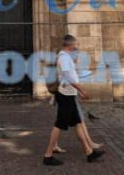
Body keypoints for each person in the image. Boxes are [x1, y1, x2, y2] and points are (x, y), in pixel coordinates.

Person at [43, 34, 104, 166]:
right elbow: (68, 77)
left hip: (69, 94)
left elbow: (72, 75)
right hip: (65, 95)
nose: (76, 46)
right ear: (69, 45)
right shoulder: (64, 58)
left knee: (77, 123)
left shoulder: (67, 58)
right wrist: (82, 90)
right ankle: (48, 155)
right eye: (75, 44)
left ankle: (89, 153)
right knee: (59, 124)